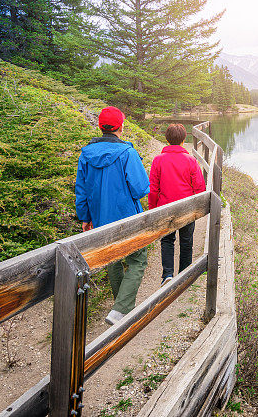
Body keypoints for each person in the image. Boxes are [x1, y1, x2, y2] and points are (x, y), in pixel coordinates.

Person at [75, 106, 150, 325]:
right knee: (137, 260)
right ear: (121, 127)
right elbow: (141, 188)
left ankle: (120, 307)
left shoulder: (86, 154)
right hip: (128, 217)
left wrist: (85, 218)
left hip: (100, 218)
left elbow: (82, 191)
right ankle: (121, 309)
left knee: (113, 260)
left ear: (101, 126)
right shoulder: (127, 152)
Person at [148, 124, 206, 285]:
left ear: (167, 139)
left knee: (167, 241)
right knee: (186, 241)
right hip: (187, 208)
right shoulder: (191, 160)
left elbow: (153, 188)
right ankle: (185, 275)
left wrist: (153, 209)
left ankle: (167, 275)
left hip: (165, 208)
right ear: (183, 139)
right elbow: (200, 187)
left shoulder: (158, 160)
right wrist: (198, 209)